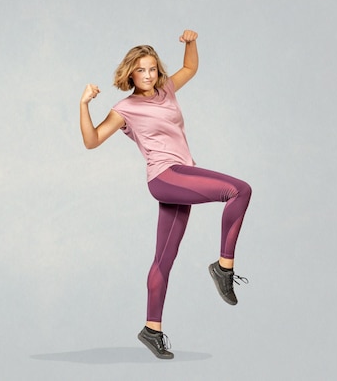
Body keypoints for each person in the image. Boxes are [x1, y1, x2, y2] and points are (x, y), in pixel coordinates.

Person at [79, 30, 252, 360]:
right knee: (239, 190)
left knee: (164, 258)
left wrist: (191, 42)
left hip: (180, 178)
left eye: (152, 69)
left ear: (158, 71)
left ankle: (151, 329)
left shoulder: (167, 90)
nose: (148, 75)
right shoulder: (125, 108)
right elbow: (92, 140)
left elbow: (190, 68)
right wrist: (83, 104)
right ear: (130, 73)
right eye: (141, 70)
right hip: (165, 176)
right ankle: (223, 268)